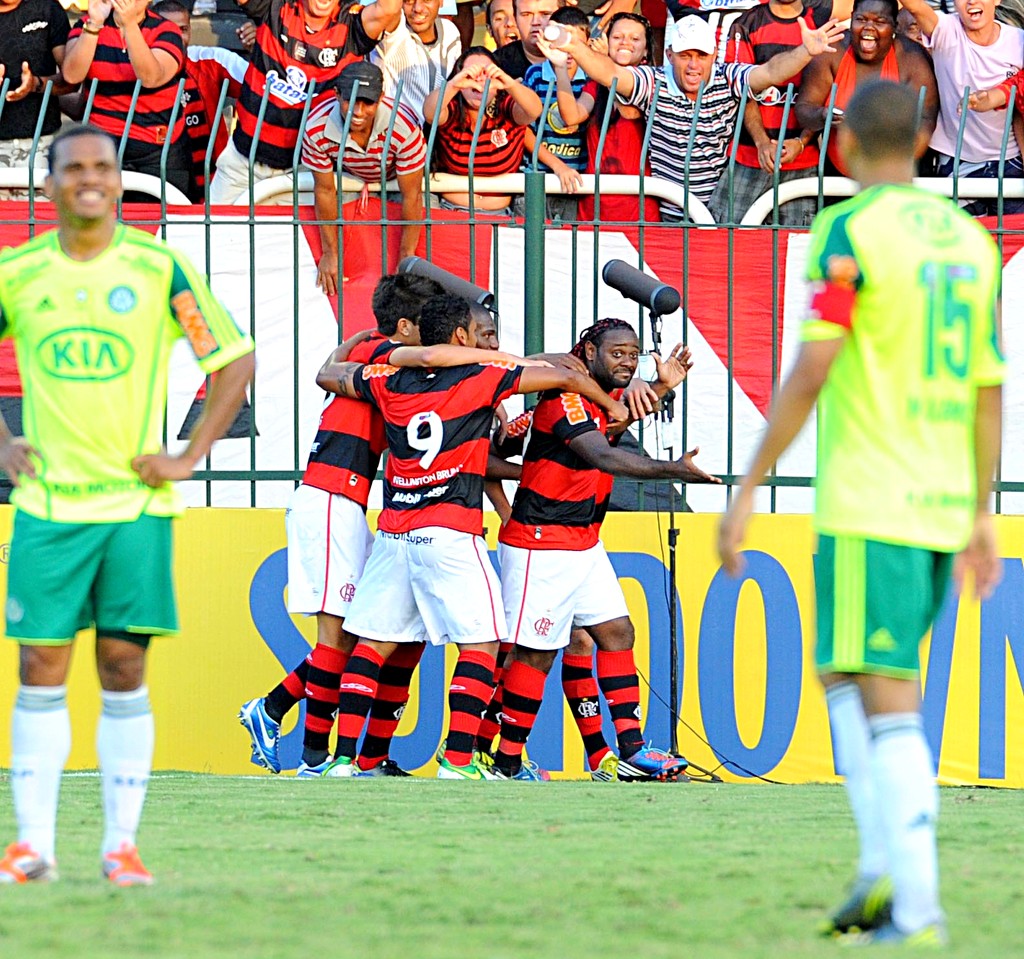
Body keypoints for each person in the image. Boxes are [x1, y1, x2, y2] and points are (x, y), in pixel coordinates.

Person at [718, 80, 1004, 945]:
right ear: (922, 144)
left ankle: (916, 906)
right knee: (844, 673)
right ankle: (882, 870)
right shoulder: (968, 237)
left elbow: (813, 366)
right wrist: (983, 512)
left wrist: (748, 482)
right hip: (942, 502)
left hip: (871, 498)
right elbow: (990, 391)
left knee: (883, 695)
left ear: (842, 148)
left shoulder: (849, 230)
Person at [0, 125, 255, 885]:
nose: (89, 179)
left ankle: (121, 845)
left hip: (134, 508)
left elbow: (233, 360)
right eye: (73, 167)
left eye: (102, 168)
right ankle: (32, 847)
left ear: (119, 183)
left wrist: (186, 456)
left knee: (121, 664)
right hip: (48, 506)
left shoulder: (159, 267)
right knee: (41, 665)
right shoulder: (18, 272)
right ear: (49, 186)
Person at [316, 293, 630, 780]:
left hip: (397, 531)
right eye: (483, 333)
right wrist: (610, 403)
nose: (492, 341)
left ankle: (341, 761)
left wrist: (354, 346)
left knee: (372, 645)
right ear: (461, 337)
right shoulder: (484, 375)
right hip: (449, 531)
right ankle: (460, 761)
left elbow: (329, 374)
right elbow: (565, 374)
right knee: (484, 646)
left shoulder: (387, 380)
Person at [490, 321, 720, 781]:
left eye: (634, 353)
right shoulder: (564, 399)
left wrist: (659, 384)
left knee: (617, 632)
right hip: (543, 543)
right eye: (618, 353)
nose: (628, 361)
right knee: (534, 654)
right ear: (590, 352)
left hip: (584, 542)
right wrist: (675, 469)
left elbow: (619, 417)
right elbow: (604, 456)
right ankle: (504, 762)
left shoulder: (600, 403)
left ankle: (631, 751)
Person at [239, 272, 443, 777]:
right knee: (339, 641)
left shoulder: (365, 349)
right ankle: (303, 748)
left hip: (343, 504)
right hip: (329, 500)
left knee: (365, 634)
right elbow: (407, 359)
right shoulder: (381, 350)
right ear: (402, 327)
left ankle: (284, 720)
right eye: (427, 326)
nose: (433, 337)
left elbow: (332, 367)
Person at [546, 13, 845, 218]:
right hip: (669, 213)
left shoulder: (726, 76)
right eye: (686, 55)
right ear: (670, 55)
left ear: (713, 56)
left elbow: (769, 72)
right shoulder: (654, 81)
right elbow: (610, 72)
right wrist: (575, 47)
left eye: (701, 55)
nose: (693, 65)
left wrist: (805, 52)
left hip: (718, 213)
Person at [210, 0, 401, 204]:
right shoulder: (275, 7)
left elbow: (389, 9)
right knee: (210, 233)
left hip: (306, 172)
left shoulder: (351, 23)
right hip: (243, 163)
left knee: (317, 233)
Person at [710, 0, 854, 225]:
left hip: (803, 163)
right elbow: (743, 89)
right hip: (749, 158)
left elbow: (826, 95)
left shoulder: (820, 23)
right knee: (729, 243)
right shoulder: (746, 24)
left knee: (795, 251)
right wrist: (761, 143)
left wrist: (801, 142)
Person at [301, 61, 428, 291]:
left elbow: (412, 196)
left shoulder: (404, 126)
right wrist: (329, 253)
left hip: (395, 183)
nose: (358, 112)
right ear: (337, 95)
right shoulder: (315, 127)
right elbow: (325, 190)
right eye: (350, 101)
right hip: (348, 182)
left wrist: (405, 259)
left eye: (367, 102)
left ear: (380, 98)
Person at [900, 0, 1024, 216]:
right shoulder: (947, 30)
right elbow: (915, 7)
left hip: (1011, 163)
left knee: (1014, 244)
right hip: (959, 163)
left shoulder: (1019, 41)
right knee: (964, 245)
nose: (972, 1)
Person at [62, 0, 193, 198]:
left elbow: (151, 77)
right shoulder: (86, 25)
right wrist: (95, 24)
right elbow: (72, 75)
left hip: (159, 151)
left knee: (160, 224)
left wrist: (129, 25)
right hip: (104, 147)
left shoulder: (166, 30)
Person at [540, 11, 661, 223]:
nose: (625, 43)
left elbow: (629, 109)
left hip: (638, 207)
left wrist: (603, 62)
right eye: (617, 37)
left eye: (635, 39)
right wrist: (559, 67)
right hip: (594, 206)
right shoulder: (595, 85)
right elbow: (571, 116)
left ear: (646, 50)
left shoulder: (653, 86)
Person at [795, 0, 937, 179]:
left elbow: (926, 119)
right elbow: (804, 108)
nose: (869, 28)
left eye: (879, 22)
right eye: (861, 19)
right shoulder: (833, 50)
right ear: (851, 18)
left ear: (894, 27)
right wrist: (823, 115)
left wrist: (892, 167)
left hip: (899, 173)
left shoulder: (912, 58)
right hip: (839, 175)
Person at [423, 46, 542, 213]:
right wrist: (455, 84)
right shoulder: (452, 109)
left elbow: (534, 111)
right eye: (470, 74)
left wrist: (508, 83)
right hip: (452, 213)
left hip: (500, 217)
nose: (478, 80)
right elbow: (430, 113)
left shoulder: (506, 107)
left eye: (488, 74)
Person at [150, 0, 248, 200]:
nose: (177, 37)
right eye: (168, 29)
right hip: (157, 182)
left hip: (215, 187)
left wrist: (259, 47)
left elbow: (260, 87)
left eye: (183, 29)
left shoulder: (211, 59)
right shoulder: (135, 68)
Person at [521, 4, 592, 221]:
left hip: (577, 187)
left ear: (587, 44)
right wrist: (558, 166)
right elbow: (524, 131)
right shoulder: (534, 74)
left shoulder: (592, 78)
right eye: (561, 41)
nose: (568, 50)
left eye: (575, 43)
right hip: (536, 182)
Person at [0, 0, 73, 197]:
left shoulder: (47, 8)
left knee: (38, 225)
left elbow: (71, 79)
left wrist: (35, 84)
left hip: (41, 144)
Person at [369, 0, 462, 123]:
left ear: (441, 2)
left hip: (440, 133)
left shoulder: (450, 31)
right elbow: (386, 10)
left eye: (426, 0)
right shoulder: (392, 36)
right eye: (408, 1)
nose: (417, 8)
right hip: (399, 136)